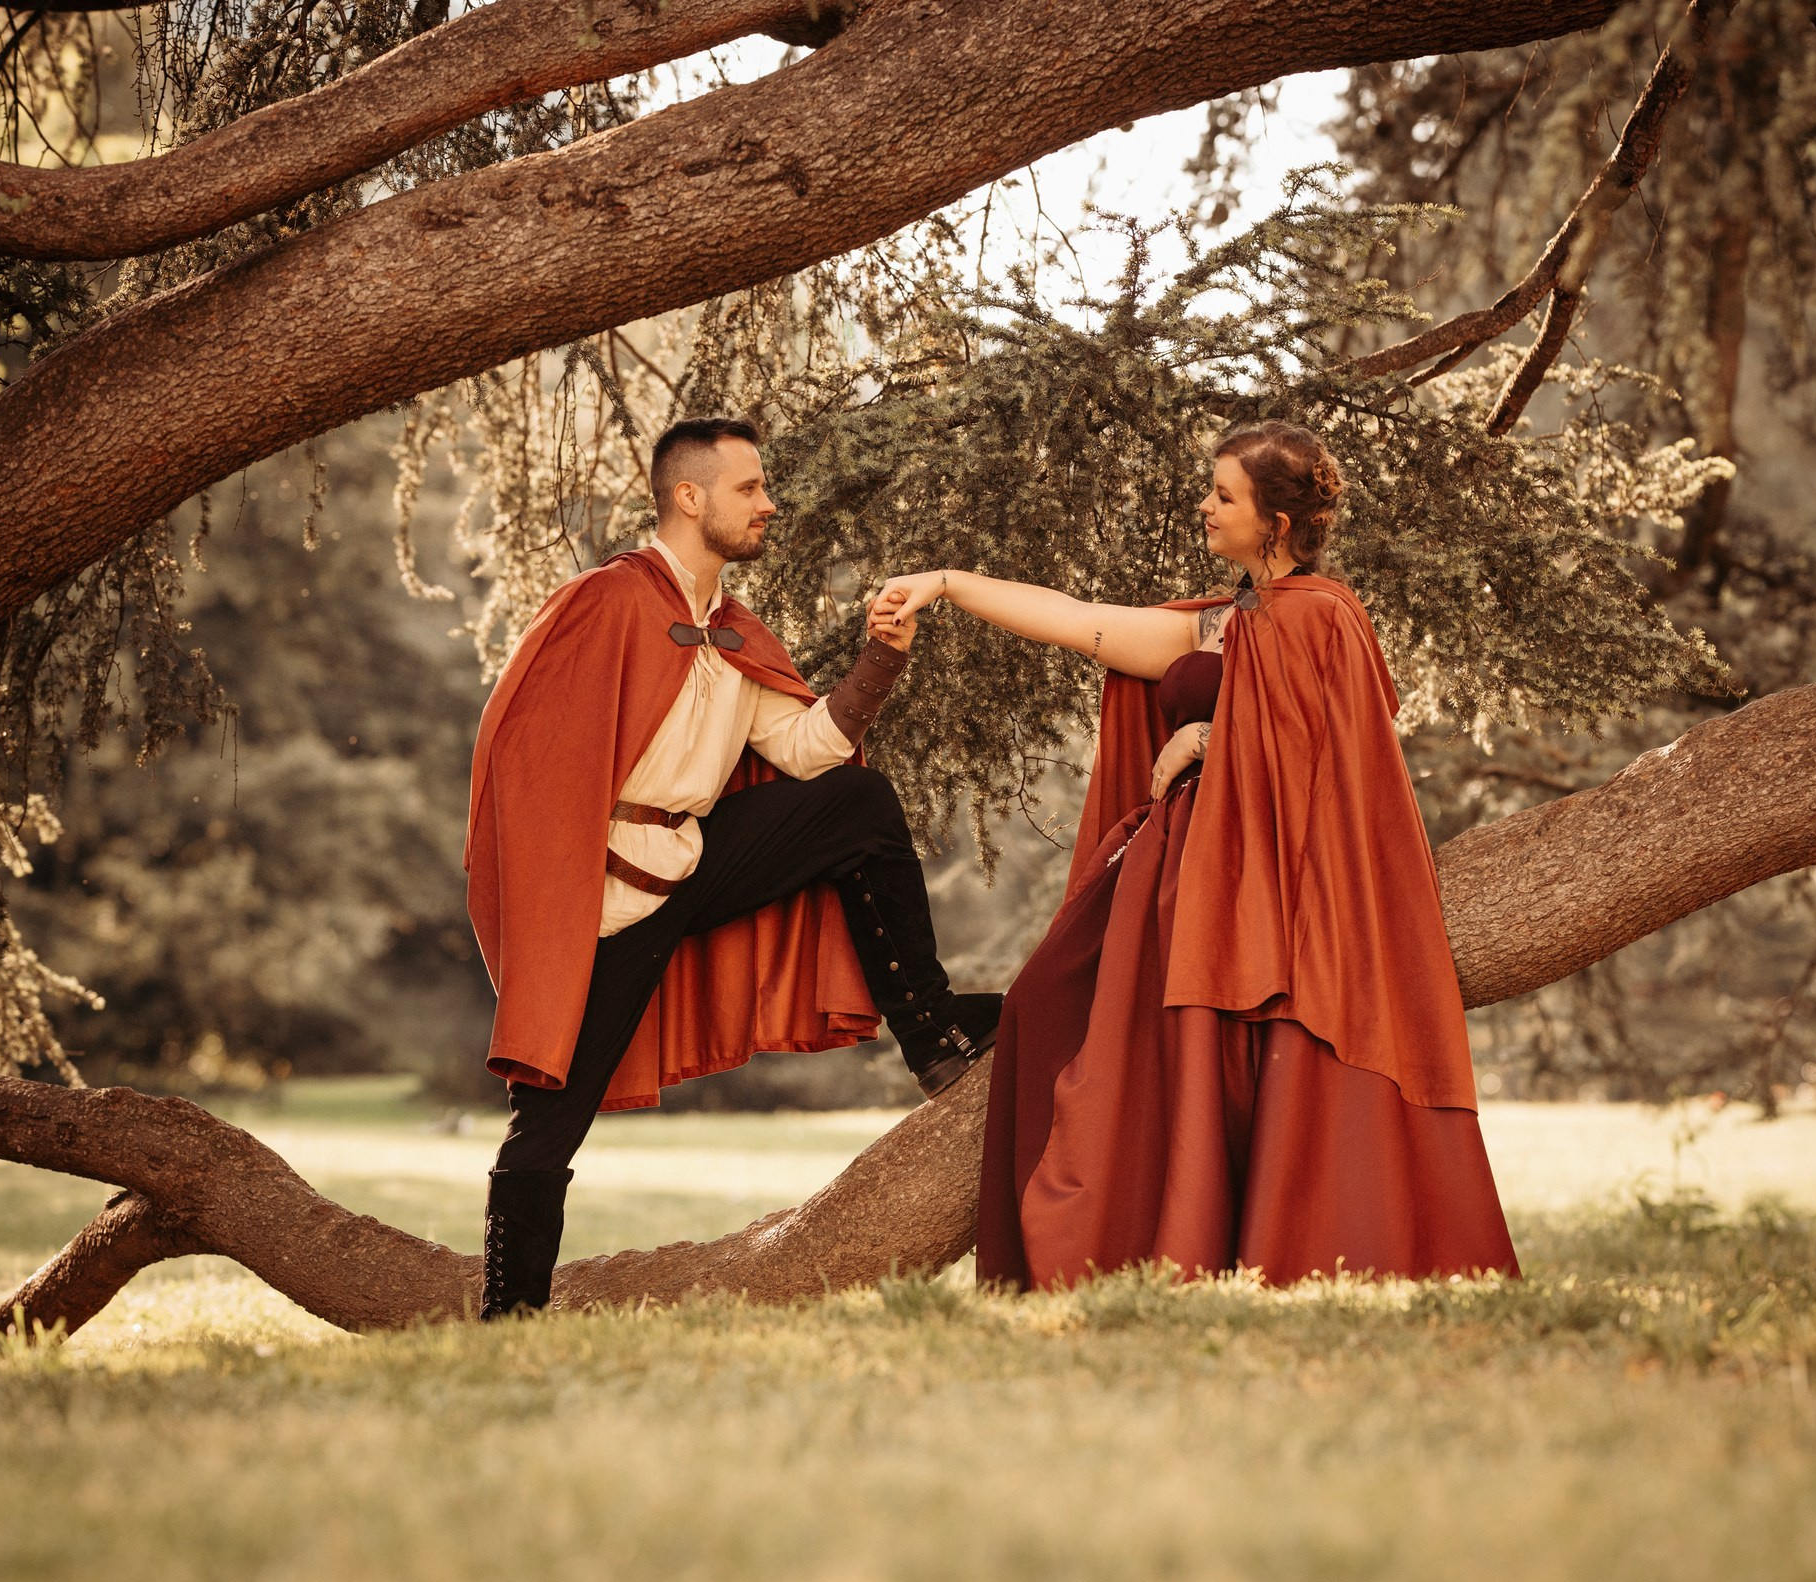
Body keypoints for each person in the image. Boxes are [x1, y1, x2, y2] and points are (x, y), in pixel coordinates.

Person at [866, 421, 1517, 1290]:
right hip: (1171, 869)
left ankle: (1183, 1248)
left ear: (1275, 523)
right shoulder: (1220, 621)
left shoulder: (1323, 616)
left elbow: (1324, 763)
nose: (1205, 506)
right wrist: (946, 584)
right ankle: (1089, 1247)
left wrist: (1210, 735)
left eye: (1223, 495)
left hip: (1254, 885)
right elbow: (1080, 622)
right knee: (1043, 1002)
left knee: (1184, 1050)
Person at [464, 417, 1001, 1317]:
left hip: (694, 857)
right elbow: (529, 758)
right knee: (549, 1116)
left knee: (858, 802)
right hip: (604, 897)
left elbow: (804, 750)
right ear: (689, 496)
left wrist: (882, 659)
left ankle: (933, 1031)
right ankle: (508, 1310)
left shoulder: (735, 632)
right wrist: (560, 899)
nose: (768, 503)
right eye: (749, 487)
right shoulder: (605, 601)